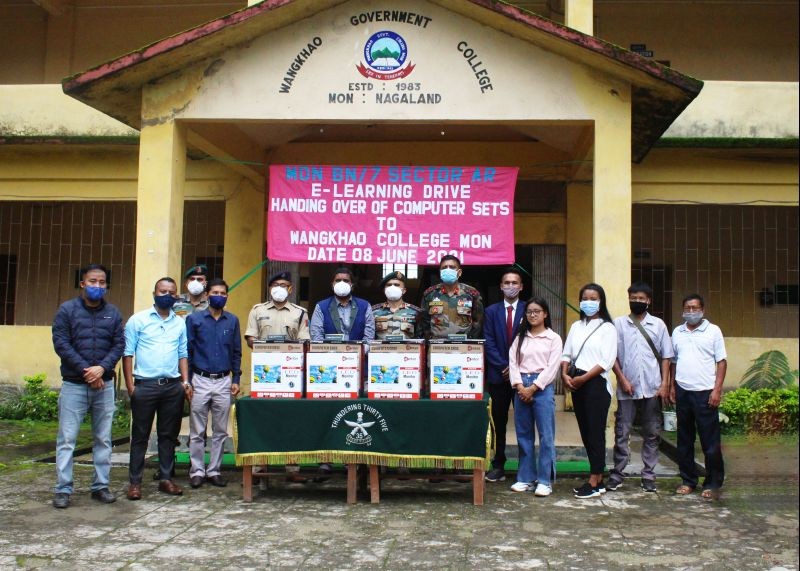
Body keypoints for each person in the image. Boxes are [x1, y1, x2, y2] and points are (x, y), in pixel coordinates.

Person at [51, 264, 125, 508]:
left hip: (104, 385)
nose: (97, 286)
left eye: (102, 282)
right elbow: (62, 344)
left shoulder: (113, 313)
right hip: (74, 385)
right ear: (82, 283)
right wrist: (88, 371)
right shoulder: (67, 310)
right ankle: (63, 489)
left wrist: (101, 369)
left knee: (103, 439)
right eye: (92, 281)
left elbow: (118, 344)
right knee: (67, 439)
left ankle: (100, 486)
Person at [123, 277, 191, 500]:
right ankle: (135, 483)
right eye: (163, 291)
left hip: (172, 387)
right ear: (154, 293)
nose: (167, 295)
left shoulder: (179, 323)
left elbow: (183, 354)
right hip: (145, 386)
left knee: (168, 436)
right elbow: (128, 353)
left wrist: (185, 381)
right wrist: (131, 387)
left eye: (172, 292)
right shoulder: (138, 320)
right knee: (140, 436)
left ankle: (166, 479)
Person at [608, 282, 674, 493]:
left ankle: (649, 475)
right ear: (629, 299)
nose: (637, 301)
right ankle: (618, 474)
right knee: (622, 432)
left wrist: (664, 384)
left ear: (648, 301)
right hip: (627, 389)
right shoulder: (618, 324)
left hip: (653, 388)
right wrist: (622, 379)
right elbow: (613, 357)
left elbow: (666, 357)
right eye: (633, 298)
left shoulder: (659, 325)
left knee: (652, 433)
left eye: (641, 298)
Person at [561, 283, 617, 499]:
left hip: (595, 384)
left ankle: (595, 479)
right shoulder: (576, 326)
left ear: (601, 301)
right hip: (576, 383)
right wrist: (565, 375)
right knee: (585, 432)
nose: (589, 302)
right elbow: (567, 354)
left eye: (594, 298)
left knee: (595, 432)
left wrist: (583, 378)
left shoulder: (608, 328)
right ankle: (598, 478)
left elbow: (606, 361)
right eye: (585, 298)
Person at [186, 278, 242, 489]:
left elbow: (236, 351)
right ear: (207, 295)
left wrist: (236, 378)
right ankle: (197, 471)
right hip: (199, 379)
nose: (219, 295)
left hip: (223, 381)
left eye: (223, 292)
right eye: (215, 292)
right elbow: (188, 352)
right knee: (197, 430)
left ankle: (214, 470)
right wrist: (188, 381)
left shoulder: (232, 320)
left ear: (227, 296)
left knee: (220, 430)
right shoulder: (194, 320)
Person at [670, 293, 727, 499]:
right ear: (683, 310)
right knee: (684, 439)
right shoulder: (677, 332)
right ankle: (688, 480)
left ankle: (712, 483)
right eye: (687, 308)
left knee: (710, 441)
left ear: (703, 310)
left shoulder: (713, 331)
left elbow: (721, 362)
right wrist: (672, 386)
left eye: (695, 308)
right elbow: (674, 362)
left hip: (705, 392)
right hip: (683, 390)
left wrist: (717, 389)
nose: (691, 312)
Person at [508, 297, 562, 496]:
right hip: (521, 385)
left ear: (545, 314)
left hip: (542, 388)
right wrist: (520, 386)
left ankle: (544, 481)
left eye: (537, 311)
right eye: (529, 311)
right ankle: (525, 478)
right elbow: (512, 361)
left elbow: (552, 367)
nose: (533, 315)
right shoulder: (520, 337)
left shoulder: (553, 338)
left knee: (546, 436)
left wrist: (534, 387)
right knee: (524, 436)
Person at [482, 267, 527, 483]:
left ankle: (525, 467)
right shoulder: (491, 311)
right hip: (499, 375)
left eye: (514, 282)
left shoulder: (530, 310)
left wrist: (516, 367)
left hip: (523, 377)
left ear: (521, 286)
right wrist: (505, 366)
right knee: (498, 421)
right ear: (501, 286)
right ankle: (498, 464)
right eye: (507, 283)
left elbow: (532, 342)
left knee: (524, 421)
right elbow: (488, 342)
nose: (510, 286)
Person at [419, 255, 484, 340]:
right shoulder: (430, 294)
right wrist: (430, 340)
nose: (448, 270)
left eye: (452, 267)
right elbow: (424, 321)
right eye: (444, 267)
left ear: (459, 272)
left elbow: (478, 321)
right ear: (440, 272)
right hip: (437, 346)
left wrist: (471, 340)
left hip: (464, 346)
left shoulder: (471, 294)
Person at [309, 266, 375, 342]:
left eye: (346, 280)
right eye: (338, 280)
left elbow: (369, 338)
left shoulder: (365, 306)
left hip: (358, 352)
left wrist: (361, 351)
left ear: (352, 285)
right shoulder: (321, 307)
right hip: (330, 352)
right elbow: (316, 336)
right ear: (332, 285)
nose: (342, 283)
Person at [245, 271, 310, 346]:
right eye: (275, 285)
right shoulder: (257, 310)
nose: (279, 288)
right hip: (264, 356)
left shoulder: (300, 313)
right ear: (270, 289)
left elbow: (304, 341)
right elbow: (250, 339)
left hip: (290, 356)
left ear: (290, 289)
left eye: (283, 285)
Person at [371, 271, 421, 340]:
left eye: (397, 285)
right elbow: (369, 336)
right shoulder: (373, 311)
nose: (392, 287)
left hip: (406, 350)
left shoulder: (415, 312)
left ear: (404, 290)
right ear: (384, 290)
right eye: (389, 285)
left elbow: (419, 338)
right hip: (381, 350)